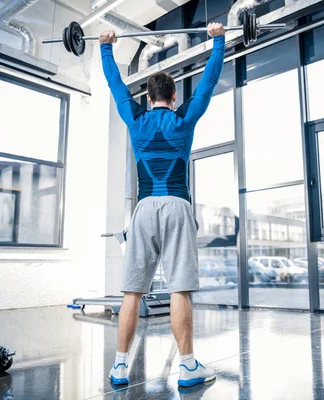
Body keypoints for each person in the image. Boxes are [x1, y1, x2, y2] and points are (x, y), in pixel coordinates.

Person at [99, 22, 226, 388]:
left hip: (143, 210)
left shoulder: (135, 119)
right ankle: (187, 367)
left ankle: (120, 366)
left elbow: (115, 85)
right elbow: (209, 82)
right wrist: (217, 40)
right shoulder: (183, 119)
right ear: (172, 96)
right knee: (179, 289)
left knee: (131, 292)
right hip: (175, 205)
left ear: (149, 96)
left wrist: (107, 48)